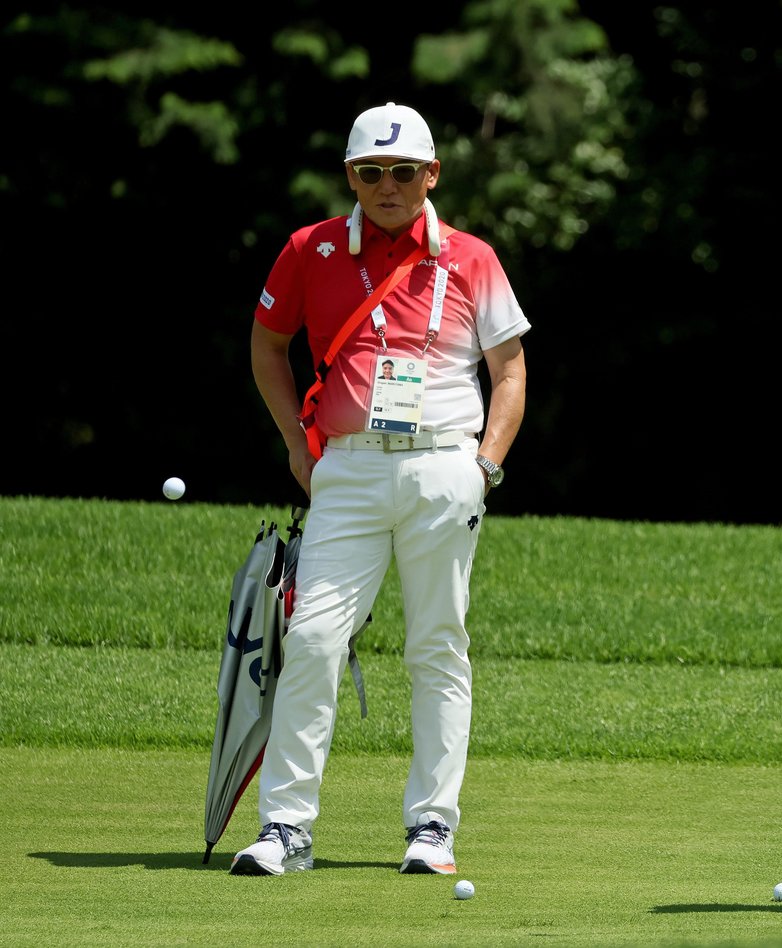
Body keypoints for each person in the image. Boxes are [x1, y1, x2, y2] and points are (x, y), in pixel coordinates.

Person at [235, 101, 529, 876]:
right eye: (372, 172)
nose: (388, 185)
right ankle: (287, 829)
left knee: (437, 647)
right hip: (350, 468)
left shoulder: (472, 256)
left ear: (432, 174)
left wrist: (485, 466)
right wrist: (297, 446)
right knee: (313, 639)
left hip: (444, 467)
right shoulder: (312, 248)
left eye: (404, 171)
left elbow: (510, 371)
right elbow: (268, 347)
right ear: (351, 177)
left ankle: (432, 826)